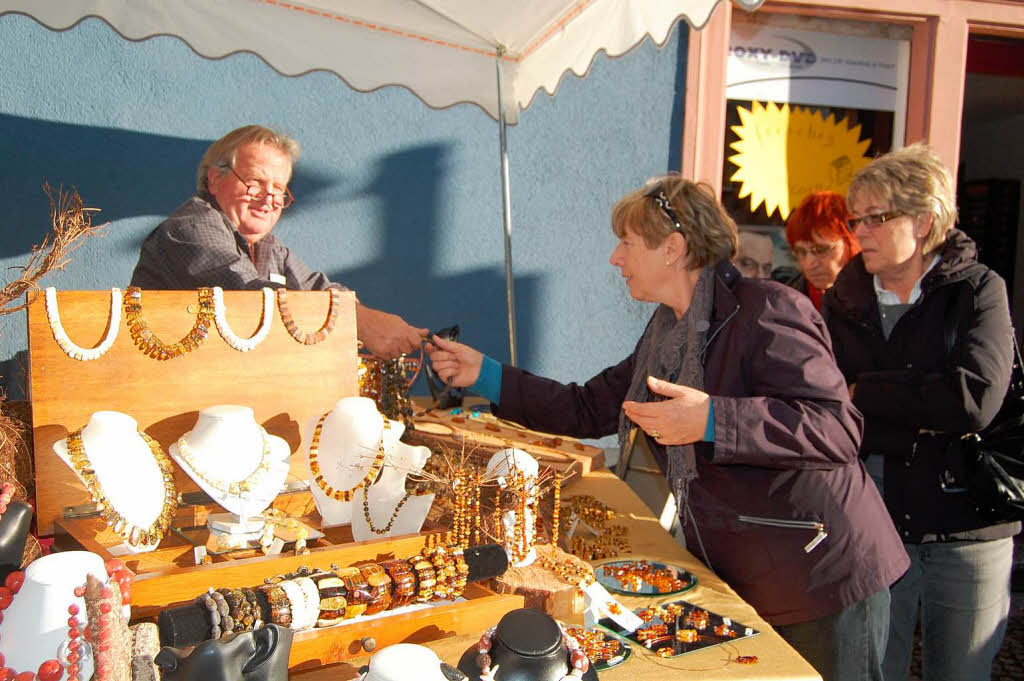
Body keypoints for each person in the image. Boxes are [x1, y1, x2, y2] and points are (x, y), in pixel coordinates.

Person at [429, 175, 908, 681]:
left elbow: (836, 428)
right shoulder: (667, 334)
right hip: (753, 573)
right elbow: (586, 407)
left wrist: (714, 419)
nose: (616, 259)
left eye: (627, 243)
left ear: (673, 248)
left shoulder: (768, 310)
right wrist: (486, 375)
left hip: (822, 575)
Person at [822, 143, 1018, 681]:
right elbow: (828, 400)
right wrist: (915, 400)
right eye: (856, 218)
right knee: (867, 671)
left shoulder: (978, 292)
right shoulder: (844, 298)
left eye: (876, 218)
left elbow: (972, 399)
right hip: (875, 523)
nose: (859, 231)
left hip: (968, 528)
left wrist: (867, 391)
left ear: (924, 220)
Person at [130, 125, 425, 358]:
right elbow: (251, 297)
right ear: (215, 180)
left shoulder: (269, 246)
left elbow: (318, 288)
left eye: (279, 189)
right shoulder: (192, 227)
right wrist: (359, 322)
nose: (269, 198)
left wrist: (370, 317)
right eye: (256, 182)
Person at [785, 191, 860, 310]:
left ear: (851, 243)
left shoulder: (882, 295)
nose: (809, 263)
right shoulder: (783, 303)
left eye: (821, 250)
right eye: (801, 252)